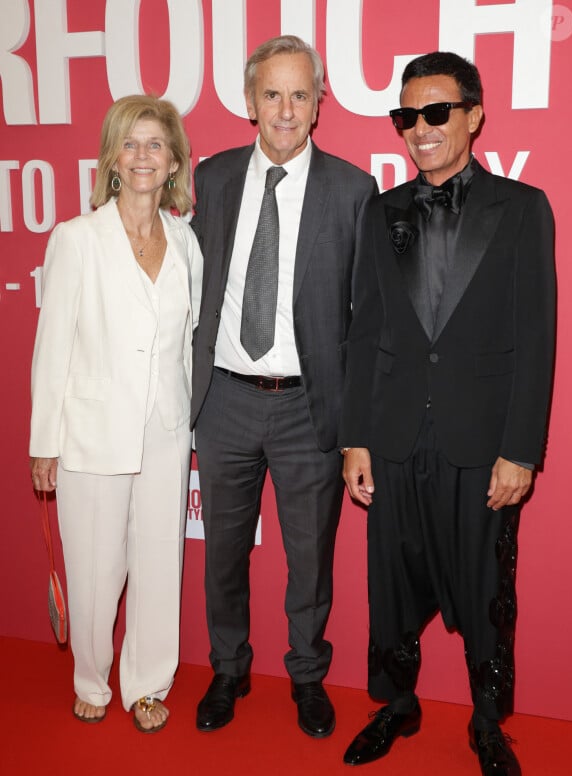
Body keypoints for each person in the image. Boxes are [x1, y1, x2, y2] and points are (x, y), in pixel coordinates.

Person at [340, 52, 555, 776]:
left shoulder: (523, 208)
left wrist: (520, 451)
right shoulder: (381, 210)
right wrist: (357, 435)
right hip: (395, 437)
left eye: (436, 113)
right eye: (407, 116)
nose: (420, 130)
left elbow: (538, 338)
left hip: (479, 439)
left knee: (486, 587)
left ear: (473, 115)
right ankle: (396, 706)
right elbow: (364, 330)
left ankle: (488, 722)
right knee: (391, 585)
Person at [190, 35, 377, 738]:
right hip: (227, 401)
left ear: (319, 104)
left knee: (310, 556)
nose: (286, 109)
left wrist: (354, 425)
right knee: (224, 553)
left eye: (301, 94)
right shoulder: (211, 180)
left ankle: (306, 674)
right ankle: (229, 668)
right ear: (249, 102)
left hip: (309, 406)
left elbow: (363, 321)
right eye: (273, 94)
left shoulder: (353, 190)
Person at [30, 94, 203, 732]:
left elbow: (188, 339)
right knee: (97, 565)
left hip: (164, 429)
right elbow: (52, 348)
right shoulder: (76, 239)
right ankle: (92, 680)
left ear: (174, 160)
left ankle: (149, 683)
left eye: (155, 144)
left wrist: (189, 426)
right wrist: (44, 441)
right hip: (91, 431)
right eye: (130, 143)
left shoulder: (185, 241)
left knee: (160, 562)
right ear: (110, 157)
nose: (142, 156)